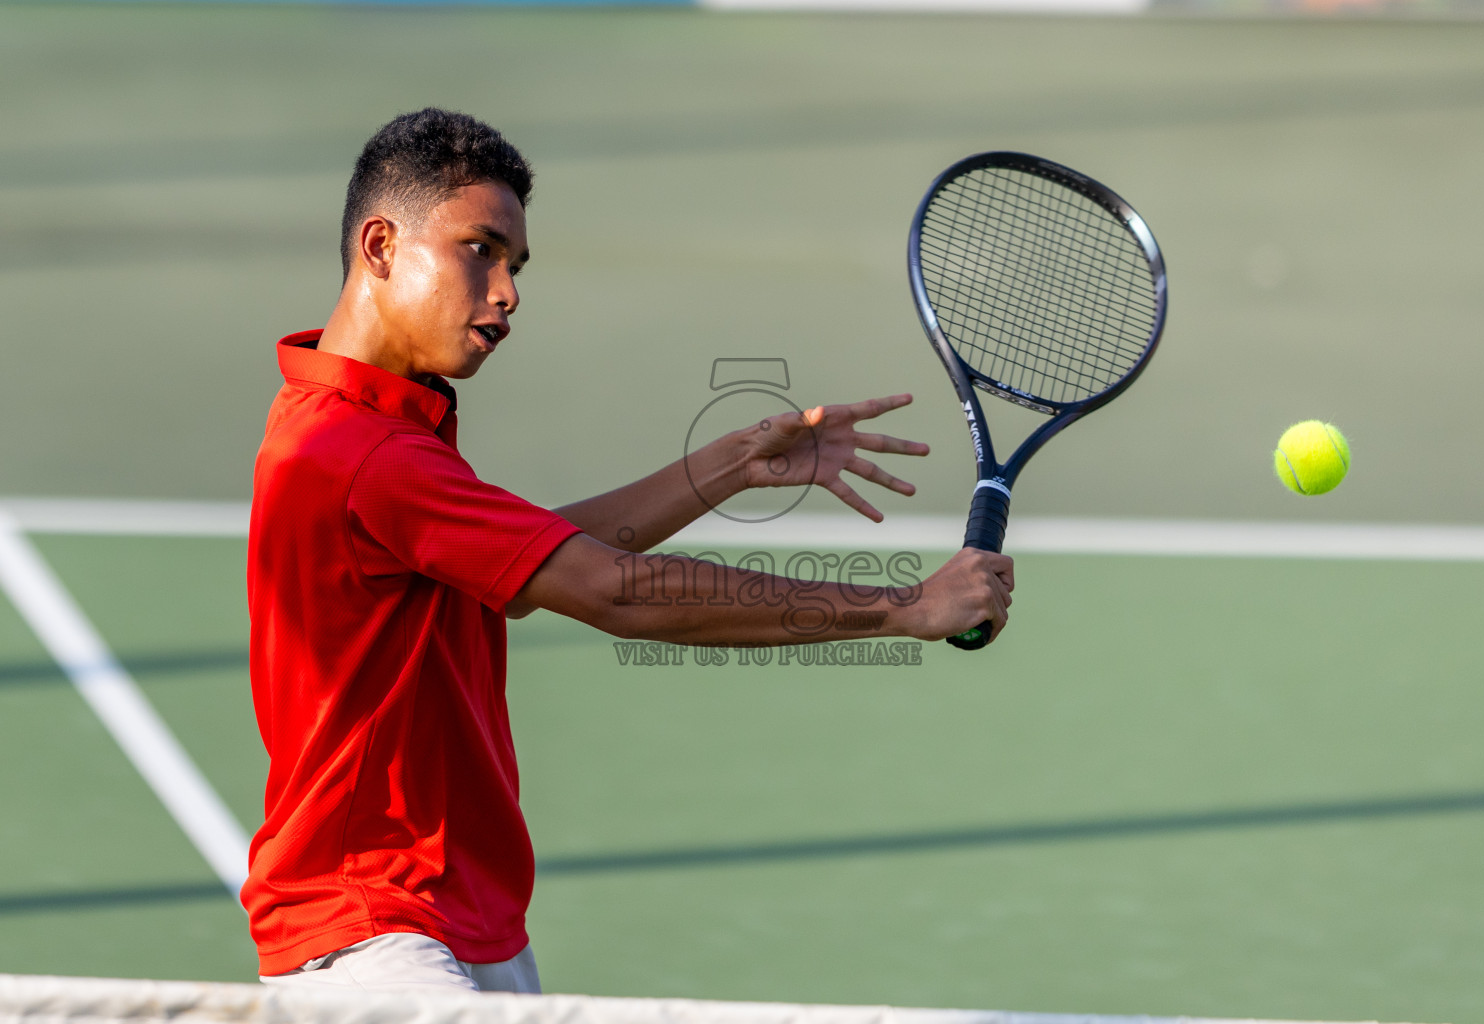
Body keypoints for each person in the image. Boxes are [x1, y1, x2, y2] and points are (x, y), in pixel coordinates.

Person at [243, 108, 1013, 996]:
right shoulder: (368, 453)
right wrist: (906, 607)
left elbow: (528, 570)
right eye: (480, 250)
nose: (507, 291)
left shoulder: (358, 425)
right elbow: (611, 590)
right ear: (380, 246)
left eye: (517, 265)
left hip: (458, 920)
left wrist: (729, 464)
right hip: (374, 936)